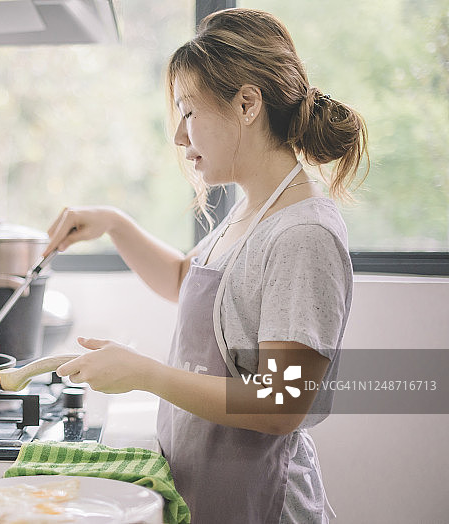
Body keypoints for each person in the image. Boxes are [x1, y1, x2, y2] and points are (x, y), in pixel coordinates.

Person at [47, 7, 368, 524]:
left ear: (246, 104)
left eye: (189, 112)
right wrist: (114, 223)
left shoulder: (301, 233)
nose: (179, 136)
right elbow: (185, 281)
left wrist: (145, 373)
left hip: (262, 503)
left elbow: (283, 404)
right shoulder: (251, 208)